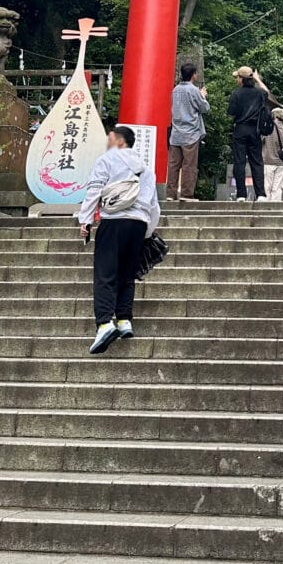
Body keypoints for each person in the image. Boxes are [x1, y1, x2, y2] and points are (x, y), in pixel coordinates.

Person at [77, 125, 161, 355]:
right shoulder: (146, 169)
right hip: (139, 223)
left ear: (120, 141)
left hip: (114, 220)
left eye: (111, 138)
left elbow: (95, 189)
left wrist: (85, 220)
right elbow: (154, 205)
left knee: (105, 273)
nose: (108, 142)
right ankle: (124, 320)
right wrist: (146, 232)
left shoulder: (107, 160)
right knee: (127, 274)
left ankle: (105, 323)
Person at [227, 66, 277, 202]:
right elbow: (268, 93)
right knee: (257, 162)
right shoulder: (259, 93)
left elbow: (231, 112)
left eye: (238, 77)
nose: (237, 79)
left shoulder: (236, 94)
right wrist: (257, 79)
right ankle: (260, 194)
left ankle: (241, 195)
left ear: (242, 79)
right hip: (255, 130)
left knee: (239, 162)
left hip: (240, 129)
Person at [166, 63, 210, 202]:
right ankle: (186, 194)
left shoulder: (175, 89)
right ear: (193, 75)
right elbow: (204, 108)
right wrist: (203, 95)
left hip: (176, 132)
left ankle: (170, 194)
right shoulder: (194, 90)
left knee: (173, 165)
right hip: (191, 132)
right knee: (189, 165)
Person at [262, 107, 283, 202]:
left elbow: (260, 141)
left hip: (268, 160)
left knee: (267, 186)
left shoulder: (268, 128)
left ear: (274, 116)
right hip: (281, 163)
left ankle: (265, 209)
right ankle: (275, 208)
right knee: (278, 188)